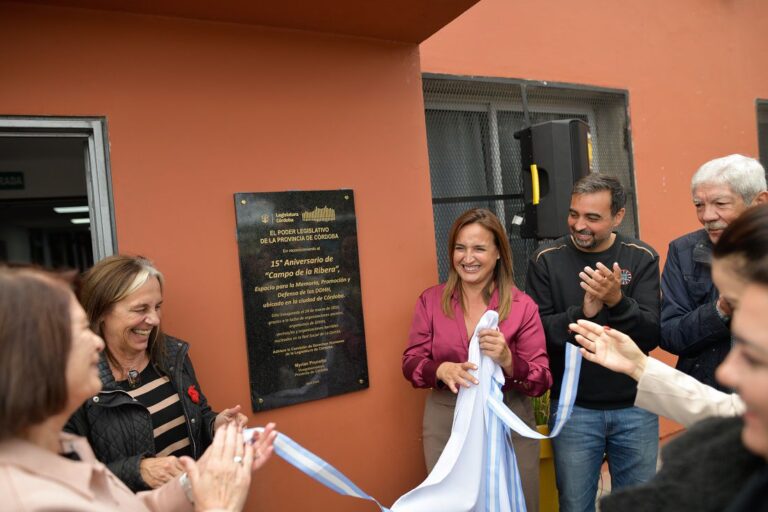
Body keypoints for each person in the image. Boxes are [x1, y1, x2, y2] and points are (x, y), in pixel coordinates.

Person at [0, 266, 277, 511]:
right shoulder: (24, 498)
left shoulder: (71, 447)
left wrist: (198, 476)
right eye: (80, 330)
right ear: (35, 357)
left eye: (157, 307)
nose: (154, 319)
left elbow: (131, 506)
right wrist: (218, 505)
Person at [525, 174, 661, 512]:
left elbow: (652, 335)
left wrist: (617, 301)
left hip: (636, 406)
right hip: (574, 410)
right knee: (574, 504)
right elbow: (536, 334)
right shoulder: (547, 259)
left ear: (618, 217)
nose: (579, 225)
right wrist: (582, 313)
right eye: (574, 214)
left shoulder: (640, 257)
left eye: (592, 218)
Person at [403, 208, 551, 511]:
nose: (467, 257)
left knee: (518, 500)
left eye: (479, 248)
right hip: (447, 418)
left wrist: (509, 360)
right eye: (460, 247)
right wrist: (439, 369)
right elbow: (411, 362)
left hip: (508, 416)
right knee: (450, 504)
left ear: (498, 253)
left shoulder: (523, 307)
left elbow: (541, 378)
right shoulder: (430, 301)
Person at [65, 255, 249, 491]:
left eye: (157, 306)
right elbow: (67, 475)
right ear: (102, 313)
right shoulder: (77, 381)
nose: (154, 319)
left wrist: (214, 425)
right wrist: (137, 470)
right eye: (140, 309)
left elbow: (197, 415)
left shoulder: (171, 356)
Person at [660, 154, 768, 390]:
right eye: (699, 205)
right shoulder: (683, 251)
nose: (707, 216)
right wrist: (719, 311)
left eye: (720, 204)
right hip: (709, 400)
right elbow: (670, 335)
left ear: (759, 202)